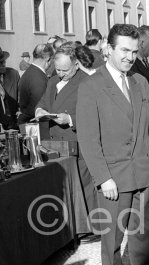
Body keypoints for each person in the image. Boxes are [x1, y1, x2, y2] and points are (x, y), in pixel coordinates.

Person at [77, 24, 149, 265]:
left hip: (143, 173)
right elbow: (89, 140)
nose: (130, 57)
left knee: (145, 235)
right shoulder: (91, 86)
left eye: (133, 51)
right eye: (124, 50)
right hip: (114, 179)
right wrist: (104, 178)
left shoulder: (141, 83)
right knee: (113, 240)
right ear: (109, 48)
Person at [35, 42, 97, 237]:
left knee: (84, 185)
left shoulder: (87, 82)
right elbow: (43, 102)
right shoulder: (53, 81)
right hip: (55, 144)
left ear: (77, 64)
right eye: (58, 69)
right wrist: (39, 110)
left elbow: (95, 115)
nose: (60, 73)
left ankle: (93, 229)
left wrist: (69, 119)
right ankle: (69, 228)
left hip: (77, 141)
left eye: (65, 70)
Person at [17, 44, 53, 125]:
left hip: (28, 121)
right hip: (35, 125)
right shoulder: (39, 78)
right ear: (47, 58)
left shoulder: (30, 71)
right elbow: (40, 106)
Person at [0, 47, 19, 130]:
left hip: (13, 125)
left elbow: (21, 97)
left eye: (3, 61)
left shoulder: (13, 74)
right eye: (1, 62)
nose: (3, 64)